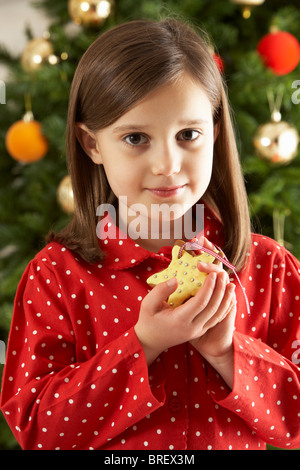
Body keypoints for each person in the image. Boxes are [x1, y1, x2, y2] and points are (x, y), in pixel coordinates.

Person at [1, 18, 300, 451]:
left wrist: (227, 352)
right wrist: (142, 345)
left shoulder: (270, 269)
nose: (167, 164)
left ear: (215, 131)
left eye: (188, 135)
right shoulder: (56, 277)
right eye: (136, 137)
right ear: (93, 144)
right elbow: (37, 430)